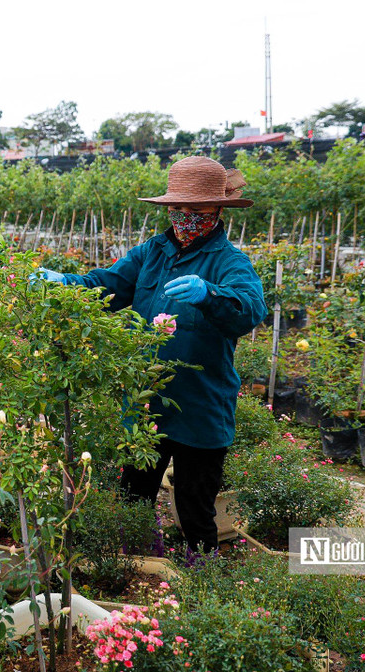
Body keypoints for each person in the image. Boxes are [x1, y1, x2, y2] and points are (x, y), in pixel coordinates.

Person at [35, 156, 266, 555]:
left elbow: (250, 309)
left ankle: (201, 579)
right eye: (178, 210)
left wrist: (210, 294)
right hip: (146, 402)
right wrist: (63, 284)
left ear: (216, 212)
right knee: (133, 497)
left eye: (196, 212)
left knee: (195, 505)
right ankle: (137, 564)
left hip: (201, 405)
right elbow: (104, 286)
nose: (186, 219)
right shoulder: (152, 253)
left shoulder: (230, 262)